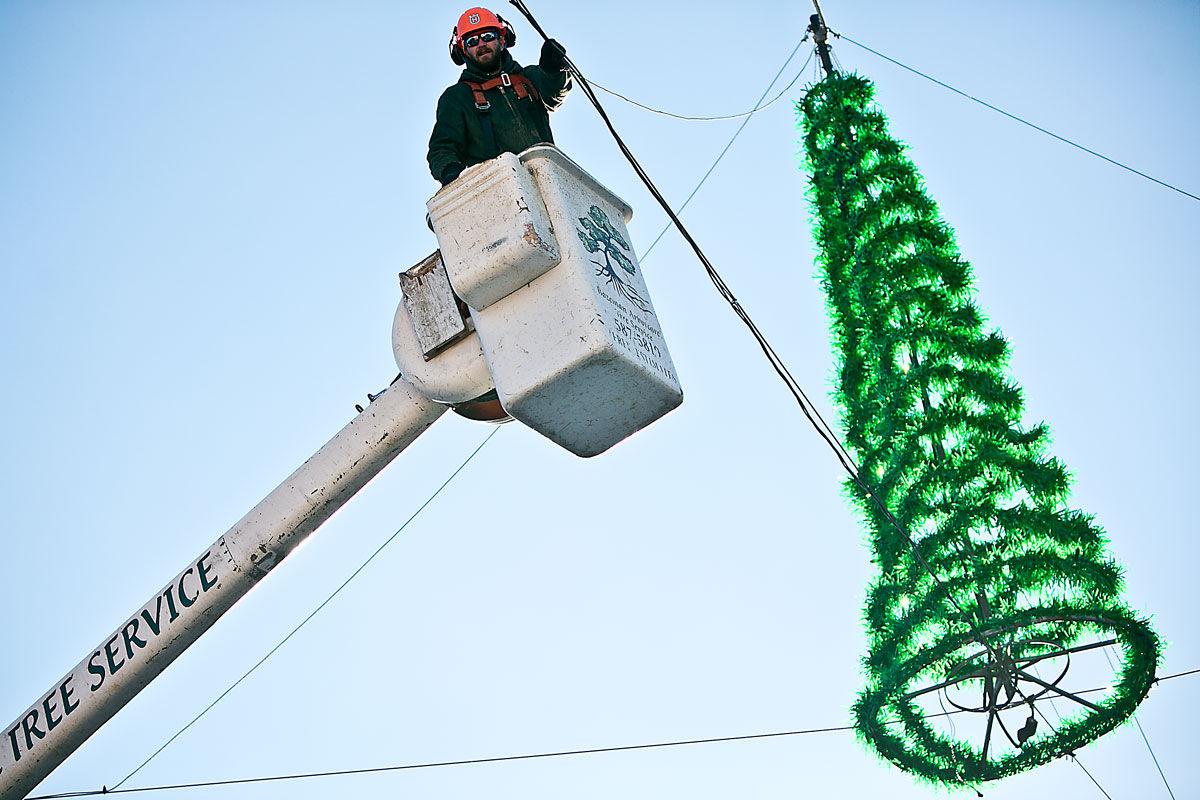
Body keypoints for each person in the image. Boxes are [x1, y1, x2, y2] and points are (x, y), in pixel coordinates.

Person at [427, 7, 571, 187]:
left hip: (550, 178)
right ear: (462, 51)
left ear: (502, 39)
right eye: (472, 41)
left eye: (487, 36)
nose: (481, 44)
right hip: (497, 191)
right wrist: (452, 177)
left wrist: (553, 70)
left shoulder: (529, 77)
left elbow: (554, 95)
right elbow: (442, 147)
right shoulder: (457, 97)